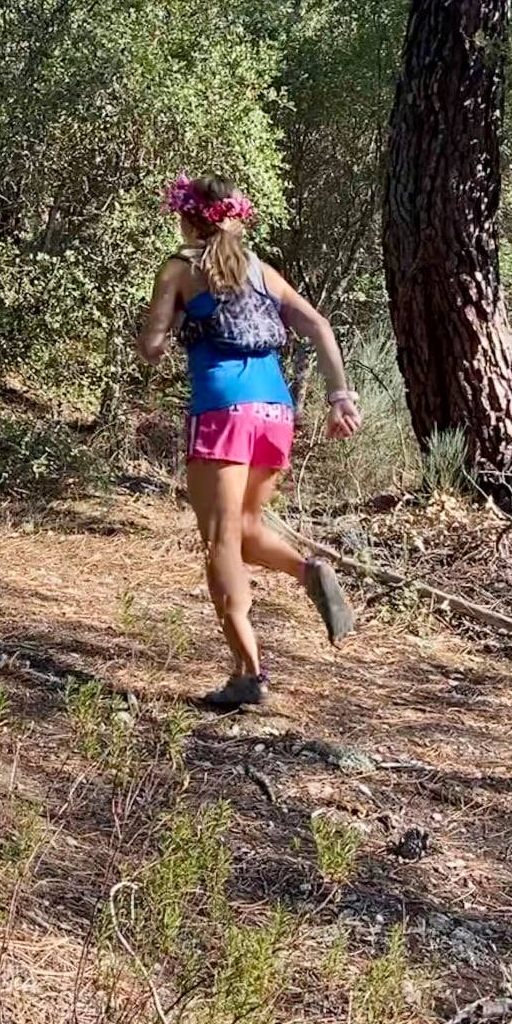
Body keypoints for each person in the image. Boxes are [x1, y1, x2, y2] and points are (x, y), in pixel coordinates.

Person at [137, 174, 363, 711]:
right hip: (275, 411)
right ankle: (310, 571)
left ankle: (249, 675)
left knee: (219, 544)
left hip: (221, 409)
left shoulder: (178, 269)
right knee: (246, 531)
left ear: (190, 220)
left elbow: (150, 347)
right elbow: (320, 327)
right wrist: (339, 396)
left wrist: (167, 329)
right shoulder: (264, 274)